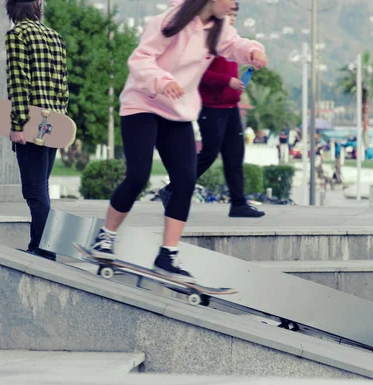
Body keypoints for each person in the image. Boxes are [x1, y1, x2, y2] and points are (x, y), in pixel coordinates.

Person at [88, 0, 267, 283]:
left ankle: (167, 255)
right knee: (138, 175)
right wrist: (161, 80)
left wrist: (254, 51)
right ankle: (106, 237)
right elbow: (140, 59)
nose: (233, 4)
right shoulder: (171, 21)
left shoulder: (217, 29)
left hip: (177, 111)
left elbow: (236, 45)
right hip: (142, 105)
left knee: (185, 181)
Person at [158, 2, 264, 218]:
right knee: (209, 153)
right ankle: (172, 189)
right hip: (210, 107)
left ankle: (238, 203)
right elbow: (199, 74)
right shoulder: (208, 38)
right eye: (229, 13)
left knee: (235, 155)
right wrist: (227, 81)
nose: (231, 17)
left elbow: (242, 48)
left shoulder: (230, 39)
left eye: (234, 14)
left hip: (230, 107)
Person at [5, 0, 69, 261]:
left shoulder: (17, 35)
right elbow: (63, 88)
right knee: (41, 187)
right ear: (38, 4)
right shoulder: (55, 37)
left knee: (34, 191)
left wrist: (17, 124)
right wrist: (60, 122)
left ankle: (44, 250)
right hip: (53, 124)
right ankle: (38, 246)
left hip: (30, 124)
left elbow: (19, 81)